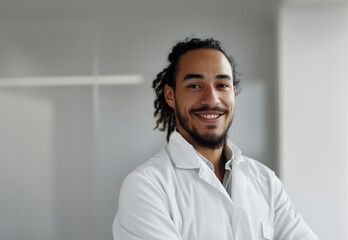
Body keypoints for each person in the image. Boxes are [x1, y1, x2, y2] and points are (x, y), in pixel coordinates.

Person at [113, 37, 319, 240]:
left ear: (233, 93)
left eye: (222, 85)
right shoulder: (145, 186)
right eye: (195, 85)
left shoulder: (266, 182)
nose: (212, 98)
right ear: (170, 96)